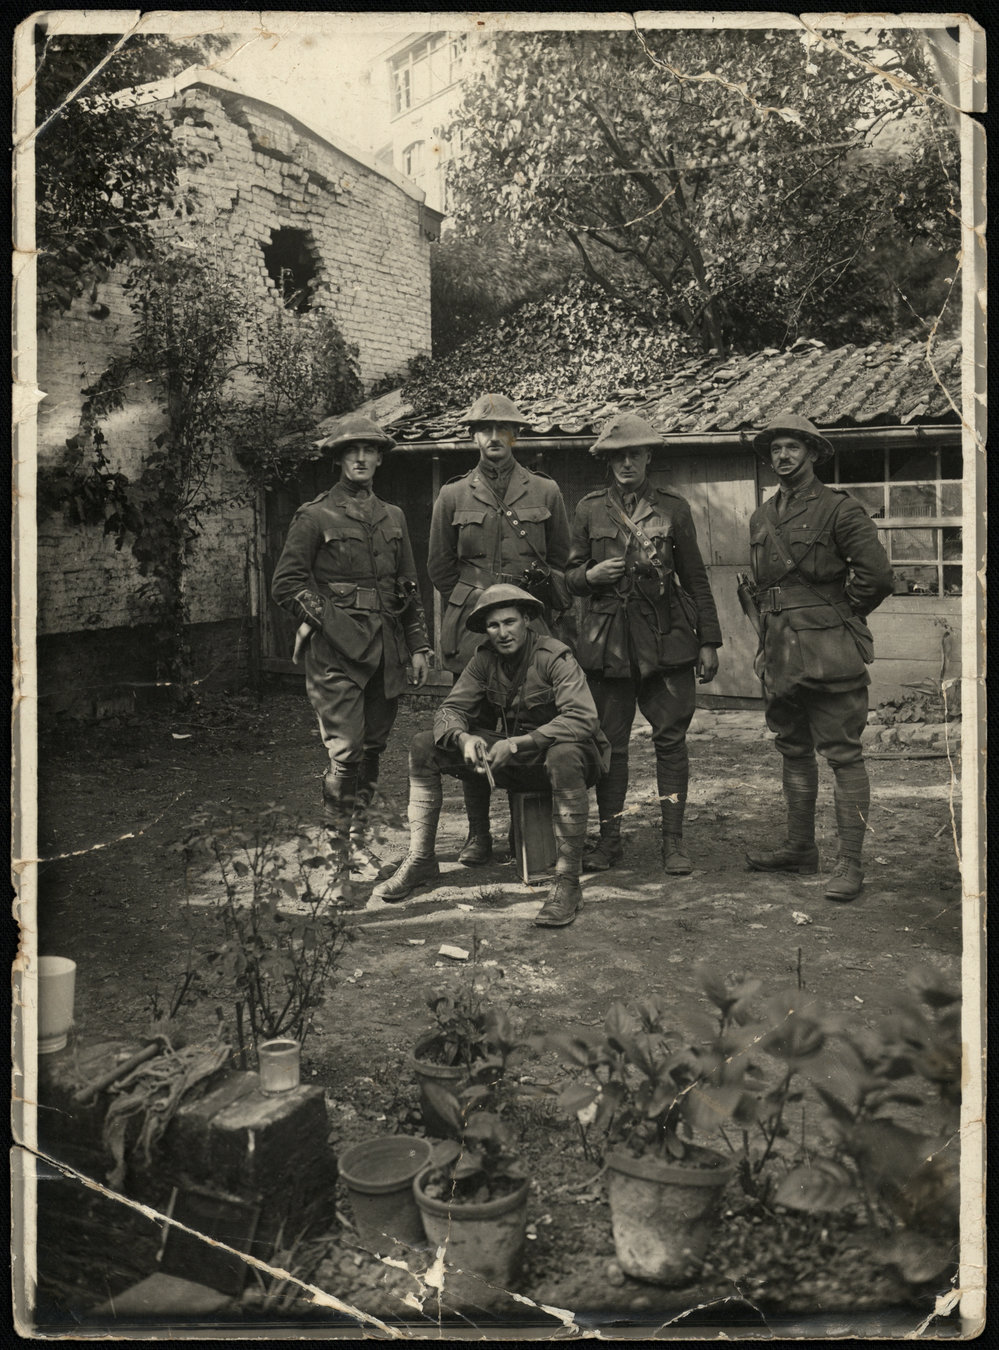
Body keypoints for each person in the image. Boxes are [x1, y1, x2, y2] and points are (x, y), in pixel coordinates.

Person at [373, 585, 609, 927]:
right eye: (494, 625)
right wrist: (464, 737)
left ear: (527, 620)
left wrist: (518, 743)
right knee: (424, 745)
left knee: (563, 755)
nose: (502, 632)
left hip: (564, 761)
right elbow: (449, 709)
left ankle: (568, 882)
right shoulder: (484, 660)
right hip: (514, 760)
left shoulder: (555, 656)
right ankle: (422, 858)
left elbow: (583, 718)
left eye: (510, 622)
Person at [271, 412, 431, 886]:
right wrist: (334, 627)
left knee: (374, 748)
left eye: (369, 451)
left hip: (387, 651)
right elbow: (287, 584)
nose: (361, 458)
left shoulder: (394, 516)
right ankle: (337, 858)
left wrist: (419, 645)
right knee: (346, 753)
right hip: (336, 654)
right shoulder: (314, 515)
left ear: (380, 458)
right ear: (339, 459)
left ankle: (358, 842)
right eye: (351, 451)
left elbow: (408, 584)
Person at [565, 413, 722, 878]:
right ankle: (609, 839)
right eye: (619, 455)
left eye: (635, 453)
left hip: (666, 641)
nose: (627, 462)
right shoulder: (588, 509)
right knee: (609, 745)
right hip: (607, 644)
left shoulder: (674, 508)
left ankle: (672, 842)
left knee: (670, 742)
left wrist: (709, 641)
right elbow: (569, 578)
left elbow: (695, 577)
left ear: (649, 456)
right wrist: (589, 576)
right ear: (608, 460)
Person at [744, 412, 893, 902]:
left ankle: (850, 864)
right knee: (792, 748)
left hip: (830, 654)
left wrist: (835, 617)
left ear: (812, 452)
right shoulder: (762, 516)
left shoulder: (839, 510)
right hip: (780, 652)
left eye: (792, 447)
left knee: (843, 755)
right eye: (776, 449)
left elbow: (876, 577)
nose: (782, 456)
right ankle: (799, 848)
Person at [427, 393, 572, 868]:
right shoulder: (451, 495)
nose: (493, 438)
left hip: (527, 624)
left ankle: (523, 830)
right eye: (484, 430)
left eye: (503, 429)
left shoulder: (545, 491)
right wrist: (478, 603)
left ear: (516, 435)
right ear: (473, 436)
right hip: (473, 628)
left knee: (528, 721)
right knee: (472, 725)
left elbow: (559, 561)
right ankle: (477, 834)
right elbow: (440, 568)